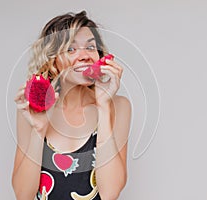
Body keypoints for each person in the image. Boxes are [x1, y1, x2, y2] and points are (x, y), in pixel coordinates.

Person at [12, 10, 131, 200]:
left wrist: (104, 105)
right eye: (71, 49)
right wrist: (38, 130)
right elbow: (23, 194)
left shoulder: (118, 106)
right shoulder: (32, 110)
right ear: (53, 60)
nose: (84, 56)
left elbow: (110, 193)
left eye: (91, 47)